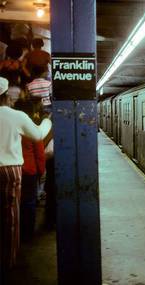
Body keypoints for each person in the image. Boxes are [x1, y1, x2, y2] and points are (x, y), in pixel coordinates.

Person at [0, 77, 51, 276]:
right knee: (10, 215)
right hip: (10, 169)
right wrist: (47, 120)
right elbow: (38, 135)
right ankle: (8, 260)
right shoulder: (16, 116)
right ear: (6, 97)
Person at [14, 99, 46, 241]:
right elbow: (39, 153)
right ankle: (27, 233)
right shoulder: (32, 127)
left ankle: (15, 232)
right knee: (29, 202)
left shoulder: (11, 125)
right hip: (29, 170)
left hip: (13, 168)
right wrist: (41, 171)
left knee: (14, 203)